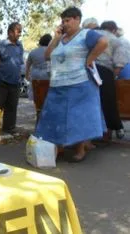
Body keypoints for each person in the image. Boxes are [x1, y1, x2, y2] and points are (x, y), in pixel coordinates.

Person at [35, 7, 108, 162]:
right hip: (58, 84)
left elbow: (103, 42)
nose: (65, 24)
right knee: (56, 116)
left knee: (77, 118)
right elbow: (47, 56)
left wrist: (89, 59)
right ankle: (59, 146)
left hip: (79, 84)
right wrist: (55, 37)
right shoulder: (61, 39)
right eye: (63, 21)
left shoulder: (86, 34)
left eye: (68, 20)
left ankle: (80, 149)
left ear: (77, 19)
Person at [93, 21, 127, 139]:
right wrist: (111, 78)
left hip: (86, 69)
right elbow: (119, 65)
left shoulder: (91, 34)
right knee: (109, 101)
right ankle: (116, 127)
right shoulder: (116, 41)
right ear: (114, 30)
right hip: (104, 71)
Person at [0, 22, 24, 134]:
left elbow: (20, 62)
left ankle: (9, 128)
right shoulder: (0, 45)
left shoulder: (20, 45)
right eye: (18, 31)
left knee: (12, 106)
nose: (20, 34)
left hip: (15, 82)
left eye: (21, 31)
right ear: (10, 32)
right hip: (2, 81)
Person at [25, 34, 52, 120]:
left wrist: (27, 75)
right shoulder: (51, 51)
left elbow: (28, 65)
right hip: (48, 78)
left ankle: (38, 117)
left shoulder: (33, 52)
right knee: (47, 100)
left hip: (36, 79)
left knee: (38, 101)